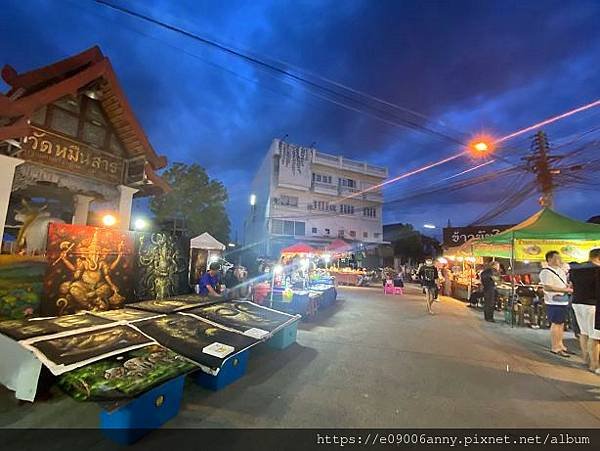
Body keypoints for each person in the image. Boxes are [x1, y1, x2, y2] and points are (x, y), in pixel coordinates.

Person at [569, 249, 600, 374]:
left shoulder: (576, 269)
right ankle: (594, 365)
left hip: (577, 302)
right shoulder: (597, 270)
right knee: (595, 337)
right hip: (592, 305)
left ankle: (586, 360)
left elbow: (571, 284)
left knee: (584, 332)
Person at [539, 250, 573, 357]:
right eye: (557, 258)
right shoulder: (546, 272)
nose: (560, 260)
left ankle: (561, 345)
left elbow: (563, 284)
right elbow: (547, 287)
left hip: (563, 300)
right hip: (553, 301)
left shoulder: (560, 271)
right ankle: (555, 347)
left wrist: (567, 287)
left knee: (561, 323)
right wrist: (565, 290)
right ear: (549, 259)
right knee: (556, 323)